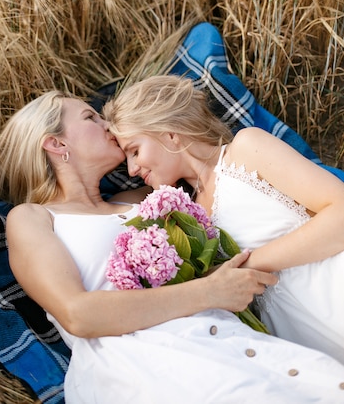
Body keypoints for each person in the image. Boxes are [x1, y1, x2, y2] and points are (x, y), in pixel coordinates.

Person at [0, 90, 344, 403]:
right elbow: (77, 314)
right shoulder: (34, 218)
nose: (107, 126)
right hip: (138, 357)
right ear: (56, 144)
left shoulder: (149, 197)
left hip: (216, 332)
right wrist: (207, 291)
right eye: (90, 117)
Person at [104, 74, 344, 365]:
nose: (131, 170)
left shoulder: (244, 149)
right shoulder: (185, 220)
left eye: (134, 151)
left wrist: (248, 264)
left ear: (168, 132)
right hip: (301, 339)